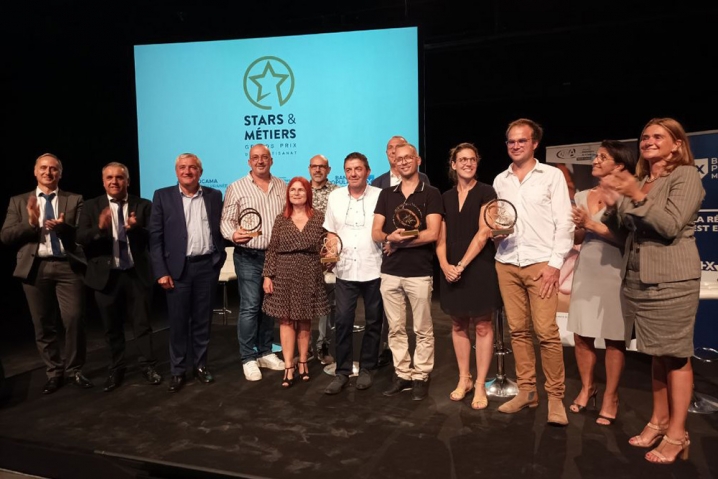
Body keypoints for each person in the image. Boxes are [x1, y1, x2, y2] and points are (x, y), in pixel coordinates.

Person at [602, 118, 704, 464]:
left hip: (671, 280)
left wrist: (632, 194)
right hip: (638, 280)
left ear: (677, 144)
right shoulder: (645, 179)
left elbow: (670, 224)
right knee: (657, 354)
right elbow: (625, 231)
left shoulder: (685, 176)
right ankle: (659, 420)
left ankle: (678, 434)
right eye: (645, 136)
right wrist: (614, 202)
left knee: (675, 355)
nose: (648, 141)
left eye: (658, 136)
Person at [492, 118, 573, 426]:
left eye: (521, 141)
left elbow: (565, 223)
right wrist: (496, 233)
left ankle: (555, 398)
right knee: (518, 331)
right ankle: (527, 391)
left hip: (542, 263)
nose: (515, 145)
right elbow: (502, 219)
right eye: (511, 141)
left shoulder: (551, 175)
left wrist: (555, 265)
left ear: (535, 143)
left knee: (547, 333)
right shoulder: (501, 180)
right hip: (508, 261)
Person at [1, 153, 92, 394]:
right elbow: (6, 236)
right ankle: (54, 372)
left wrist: (64, 228)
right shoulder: (19, 201)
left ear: (60, 173)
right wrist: (30, 223)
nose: (48, 172)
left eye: (53, 169)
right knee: (43, 324)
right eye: (43, 168)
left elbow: (83, 235)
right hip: (35, 267)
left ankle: (75, 370)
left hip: (67, 266)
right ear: (35, 172)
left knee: (73, 319)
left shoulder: (74, 199)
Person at [566, 141, 637, 424]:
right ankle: (588, 387)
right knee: (581, 335)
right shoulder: (582, 195)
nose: (595, 160)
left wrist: (592, 224)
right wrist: (579, 227)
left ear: (619, 165)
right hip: (587, 268)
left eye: (602, 157)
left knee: (613, 338)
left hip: (615, 270)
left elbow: (627, 239)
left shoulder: (629, 197)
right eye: (596, 155)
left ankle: (611, 396)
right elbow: (578, 239)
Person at [77, 162, 162, 391]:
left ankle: (148, 366)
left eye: (119, 177)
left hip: (137, 273)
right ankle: (116, 368)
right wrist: (100, 229)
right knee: (112, 327)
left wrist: (137, 229)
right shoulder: (91, 206)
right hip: (106, 276)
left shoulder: (143, 205)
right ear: (103, 181)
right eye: (109, 178)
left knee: (142, 324)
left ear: (128, 181)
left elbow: (155, 238)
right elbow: (81, 238)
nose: (114, 181)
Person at [149, 153, 226, 393]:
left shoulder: (214, 196)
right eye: (183, 167)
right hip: (177, 270)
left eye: (193, 167)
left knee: (203, 321)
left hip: (206, 268)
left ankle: (200, 366)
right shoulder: (162, 196)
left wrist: (218, 260)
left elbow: (220, 230)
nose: (188, 171)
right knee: (179, 322)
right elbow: (155, 238)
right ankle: (178, 370)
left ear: (200, 172)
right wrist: (161, 271)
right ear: (176, 171)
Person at [372, 142, 443, 401]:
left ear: (418, 160)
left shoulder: (431, 192)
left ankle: (421, 376)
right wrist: (388, 236)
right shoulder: (386, 194)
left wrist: (398, 241)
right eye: (398, 158)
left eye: (407, 158)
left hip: (419, 272)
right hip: (390, 272)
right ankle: (402, 374)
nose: (403, 162)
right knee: (395, 329)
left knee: (423, 329)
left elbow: (433, 233)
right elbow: (376, 232)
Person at [436, 142, 501, 409]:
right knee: (458, 324)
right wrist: (444, 265)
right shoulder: (444, 197)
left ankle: (481, 385)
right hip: (450, 268)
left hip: (479, 267)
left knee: (483, 326)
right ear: (453, 164)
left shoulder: (487, 191)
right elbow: (439, 237)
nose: (467, 163)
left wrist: (461, 265)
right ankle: (465, 379)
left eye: (472, 159)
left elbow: (485, 232)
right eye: (462, 159)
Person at [221, 144, 287, 381]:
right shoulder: (236, 187)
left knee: (269, 306)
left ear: (271, 160)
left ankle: (266, 351)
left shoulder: (282, 186)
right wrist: (232, 234)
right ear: (249, 162)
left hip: (275, 257)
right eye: (255, 158)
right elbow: (226, 221)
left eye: (264, 157)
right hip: (248, 255)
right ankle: (248, 357)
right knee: (250, 306)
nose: (260, 161)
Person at [322, 153, 384, 395]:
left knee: (373, 321)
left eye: (358, 169)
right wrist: (329, 254)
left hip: (374, 266)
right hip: (345, 269)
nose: (354, 173)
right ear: (344, 172)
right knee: (343, 321)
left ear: (367, 171)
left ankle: (368, 368)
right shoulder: (335, 197)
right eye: (349, 169)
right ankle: (342, 371)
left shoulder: (380, 196)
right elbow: (331, 232)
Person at [262, 177, 330, 387]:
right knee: (285, 320)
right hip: (284, 272)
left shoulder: (319, 218)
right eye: (293, 190)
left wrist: (329, 261)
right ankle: (289, 365)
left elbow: (328, 246)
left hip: (310, 271)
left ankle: (303, 362)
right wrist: (268, 275)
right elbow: (272, 249)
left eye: (301, 190)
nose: (297, 193)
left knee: (304, 320)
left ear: (308, 193)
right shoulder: (281, 219)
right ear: (288, 194)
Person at [308, 154, 339, 365]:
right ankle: (306, 348)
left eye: (322, 167)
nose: (318, 170)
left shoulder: (337, 193)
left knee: (327, 305)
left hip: (329, 257)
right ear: (309, 169)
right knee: (304, 304)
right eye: (314, 166)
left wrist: (333, 253)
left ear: (328, 170)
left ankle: (323, 346)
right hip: (304, 255)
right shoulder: (300, 189)